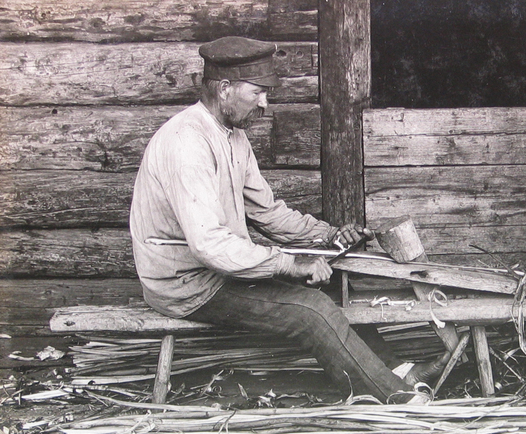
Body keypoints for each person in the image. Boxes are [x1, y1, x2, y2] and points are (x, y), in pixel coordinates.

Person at [129, 36, 449, 404]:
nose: (265, 103)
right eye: (258, 92)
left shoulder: (233, 137)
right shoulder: (187, 143)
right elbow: (208, 244)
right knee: (309, 312)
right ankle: (399, 403)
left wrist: (328, 235)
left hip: (214, 271)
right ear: (224, 88)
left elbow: (267, 212)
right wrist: (289, 265)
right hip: (185, 284)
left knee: (329, 286)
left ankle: (398, 371)